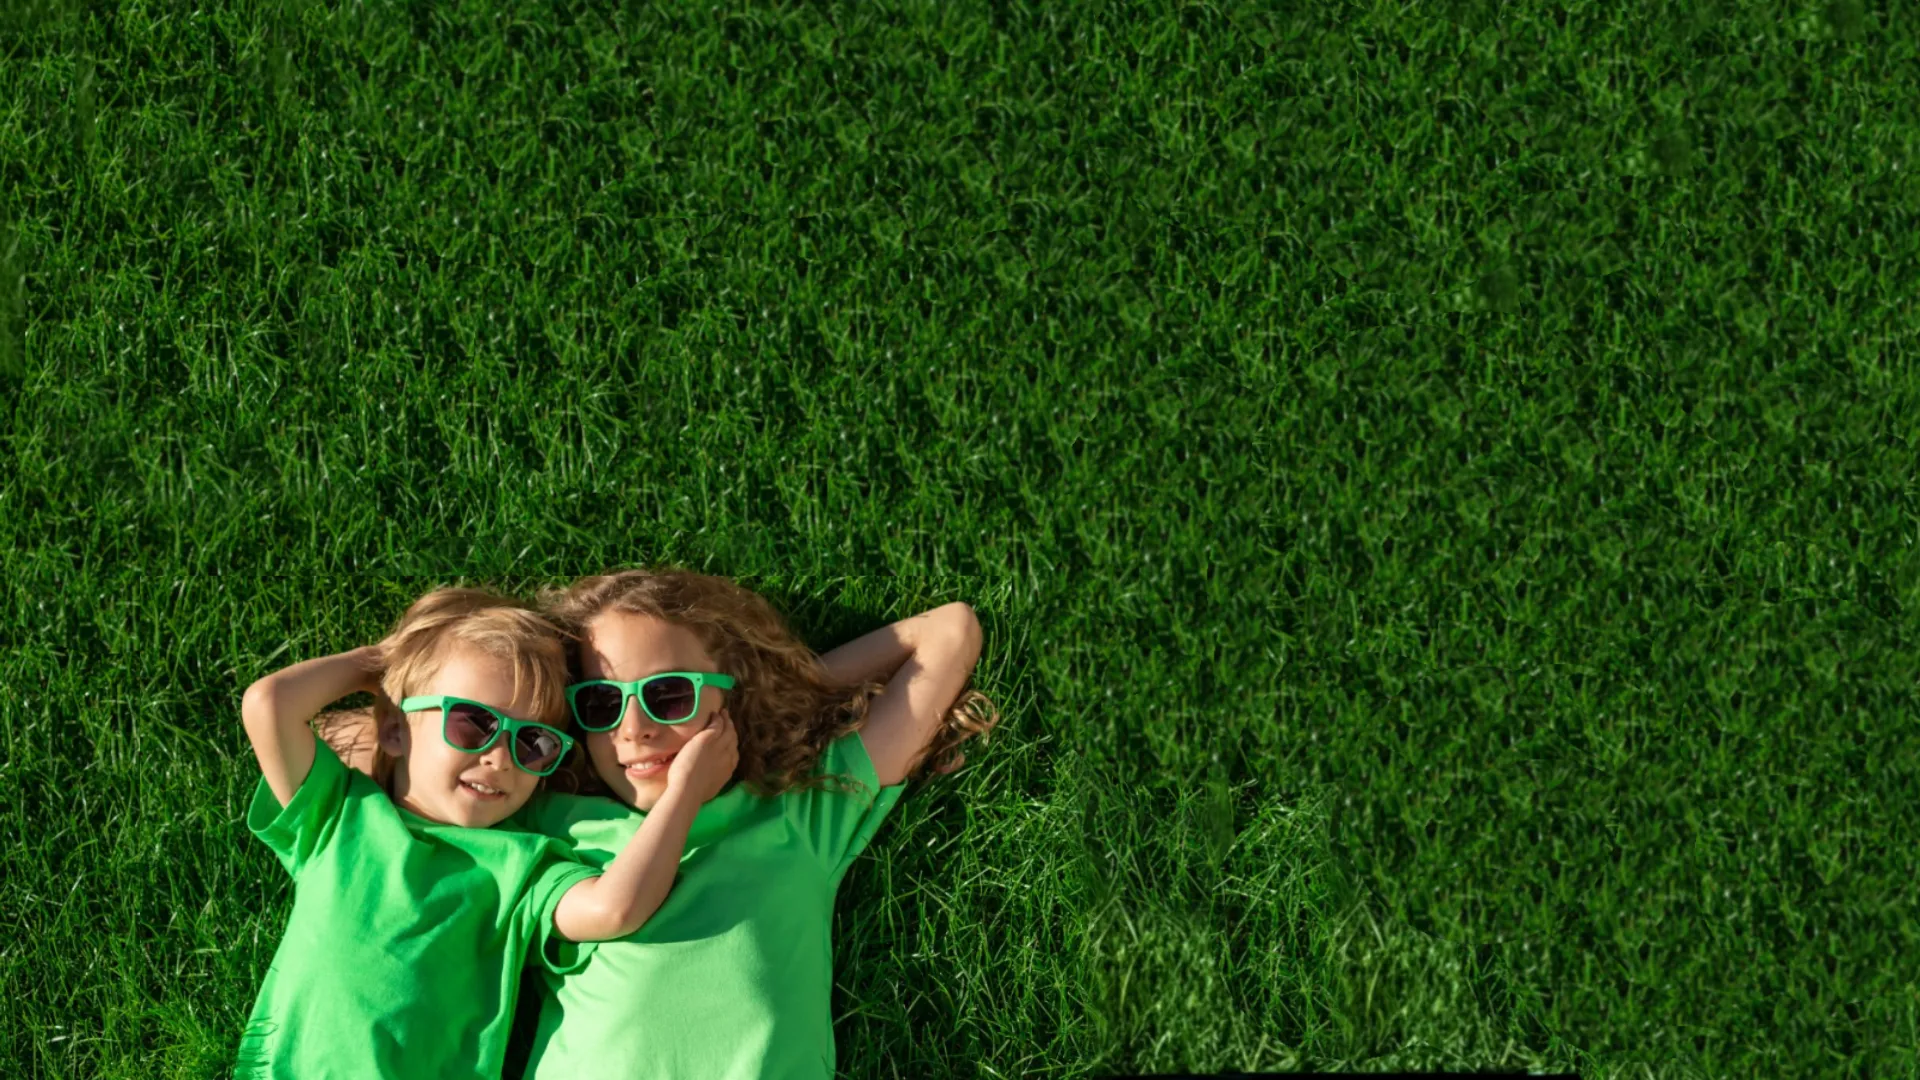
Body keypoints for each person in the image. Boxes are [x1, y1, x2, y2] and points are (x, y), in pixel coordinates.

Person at [510, 568, 998, 1080]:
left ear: (730, 696)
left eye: (670, 695)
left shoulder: (798, 812)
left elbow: (949, 632)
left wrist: (773, 691)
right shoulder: (557, 825)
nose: (633, 729)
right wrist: (685, 790)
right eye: (602, 703)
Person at [234, 586, 737, 1079]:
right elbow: (268, 704)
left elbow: (614, 908)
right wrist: (384, 661)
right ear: (394, 729)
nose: (499, 758)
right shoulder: (341, 815)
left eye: (533, 743)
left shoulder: (518, 865)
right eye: (474, 724)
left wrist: (683, 793)